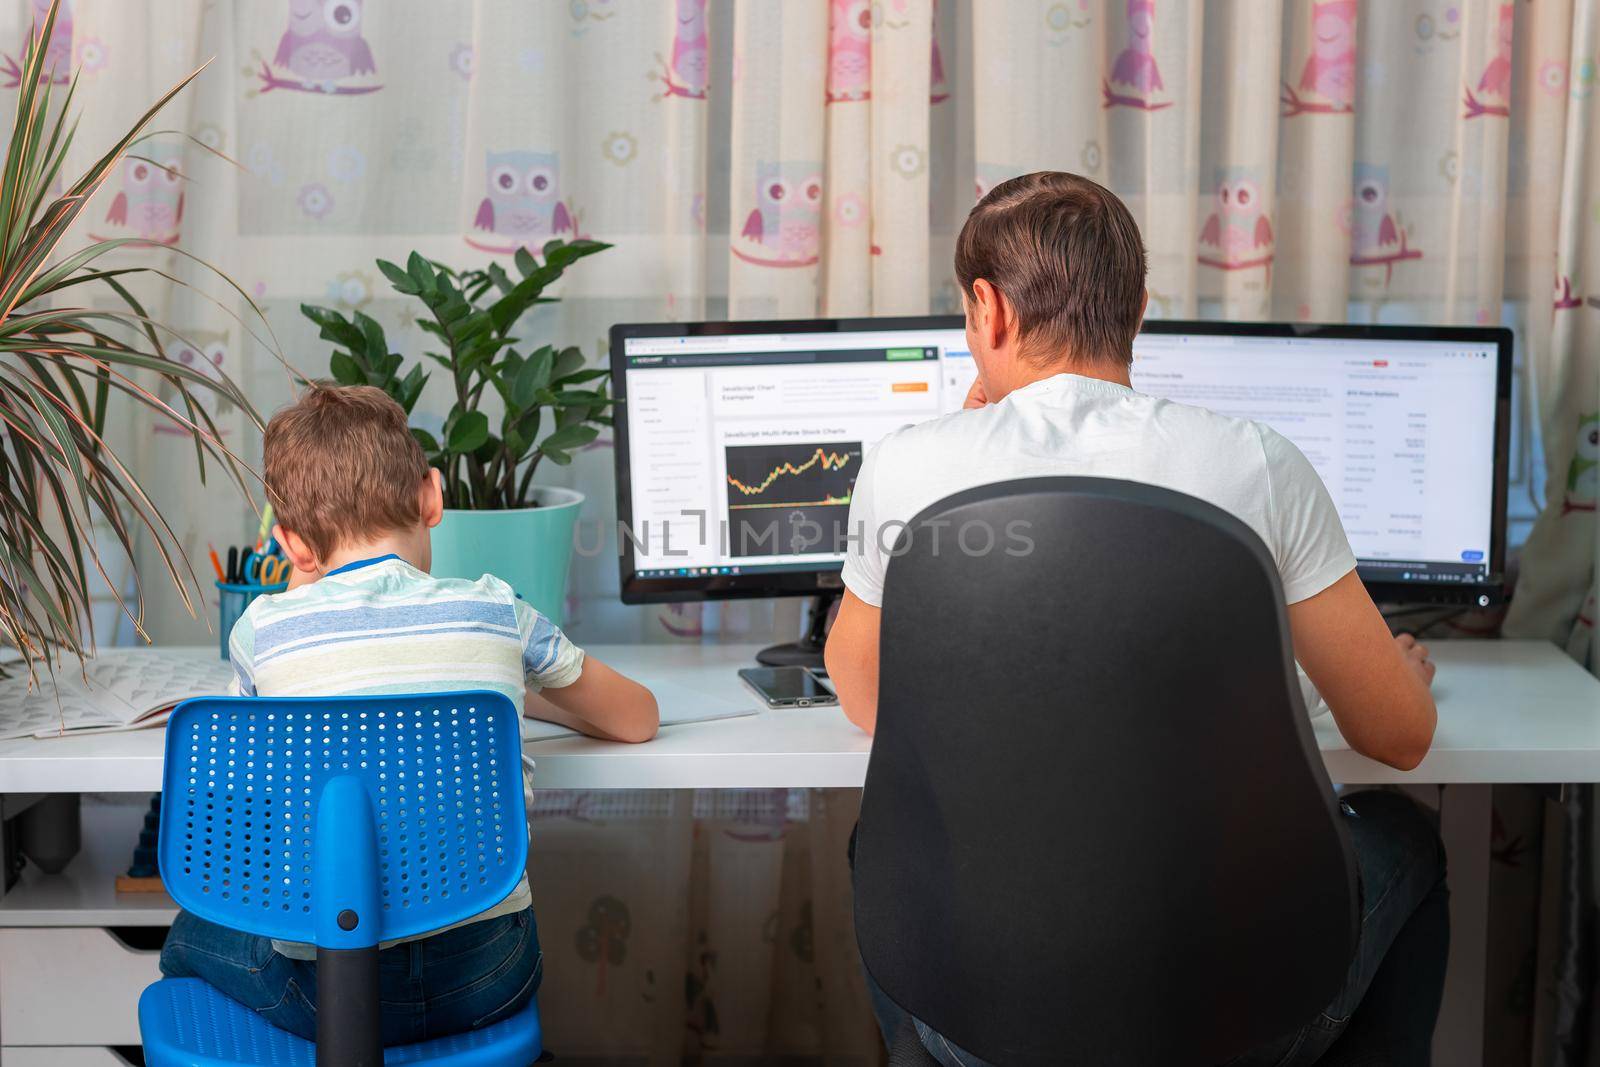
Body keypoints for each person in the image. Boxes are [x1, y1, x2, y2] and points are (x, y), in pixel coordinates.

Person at [824, 171, 1449, 1066]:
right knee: (1406, 836)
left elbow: (861, 695)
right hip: (1240, 1032)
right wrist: (1396, 673)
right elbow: (1398, 737)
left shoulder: (907, 467)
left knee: (879, 845)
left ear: (987, 310)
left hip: (977, 1027)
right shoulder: (1257, 463)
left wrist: (951, 440)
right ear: (1140, 309)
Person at [160, 383, 660, 1045]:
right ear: (432, 497)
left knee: (189, 934)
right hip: (490, 973)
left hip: (321, 995)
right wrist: (518, 677)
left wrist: (299, 576)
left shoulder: (263, 631)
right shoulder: (498, 611)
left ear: (292, 547)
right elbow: (637, 718)